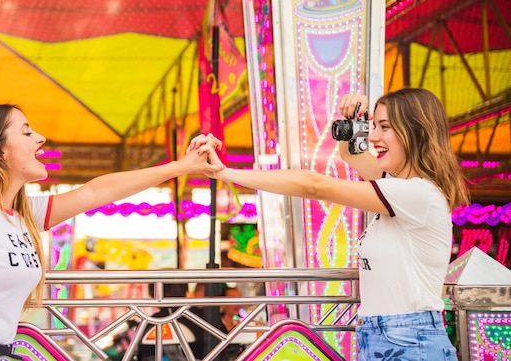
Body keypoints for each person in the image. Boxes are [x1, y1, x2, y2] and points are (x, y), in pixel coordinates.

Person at [0, 104, 221, 361]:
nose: (40, 138)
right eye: (26, 132)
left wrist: (183, 166)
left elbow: (96, 192)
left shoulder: (21, 213)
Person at [189, 88, 470, 361]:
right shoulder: (399, 188)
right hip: (389, 335)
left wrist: (226, 172)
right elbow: (352, 155)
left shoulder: (416, 194)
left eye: (384, 127)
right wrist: (354, 120)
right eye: (373, 126)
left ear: (416, 130)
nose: (373, 137)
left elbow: (313, 185)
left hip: (408, 338)